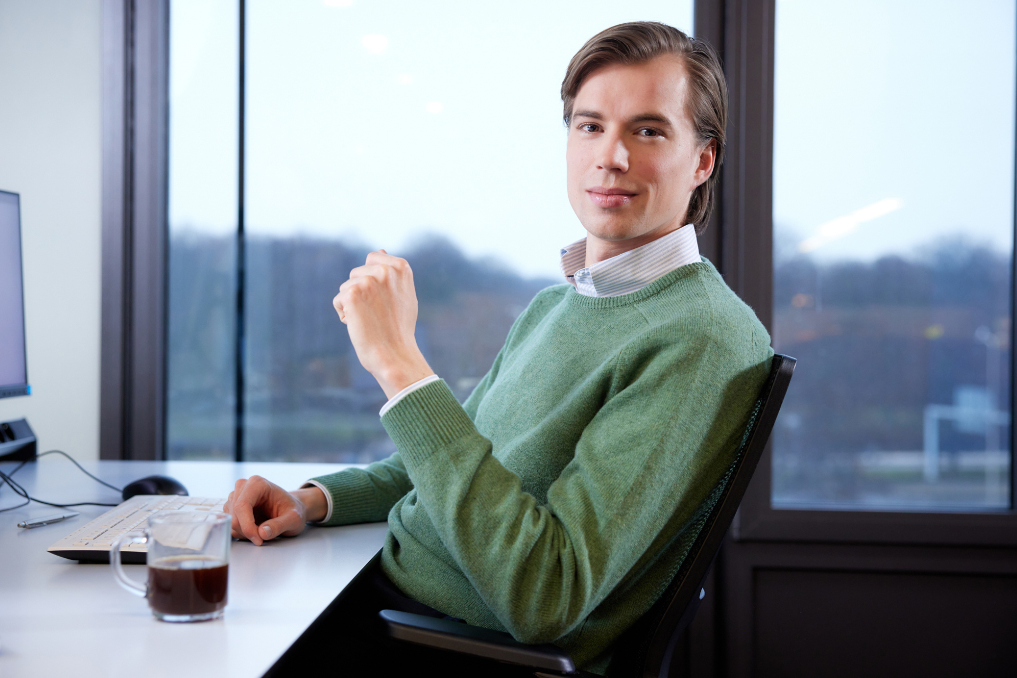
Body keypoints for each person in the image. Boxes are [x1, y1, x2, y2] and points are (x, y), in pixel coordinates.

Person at [226, 21, 772, 676]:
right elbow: (440, 461)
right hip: (383, 600)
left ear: (702, 160)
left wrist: (398, 362)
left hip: (446, 646)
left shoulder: (701, 336)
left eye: (647, 130)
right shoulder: (556, 305)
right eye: (589, 126)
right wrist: (313, 501)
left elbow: (548, 594)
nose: (610, 156)